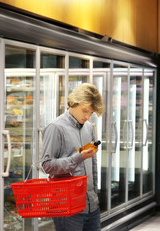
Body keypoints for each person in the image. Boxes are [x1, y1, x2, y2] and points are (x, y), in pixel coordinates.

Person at [41, 83, 104, 231]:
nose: (87, 116)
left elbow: (92, 162)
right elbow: (46, 165)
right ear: (74, 102)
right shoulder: (55, 127)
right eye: (84, 111)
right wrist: (78, 157)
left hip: (91, 204)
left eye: (91, 113)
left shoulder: (88, 127)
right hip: (67, 207)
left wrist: (94, 192)